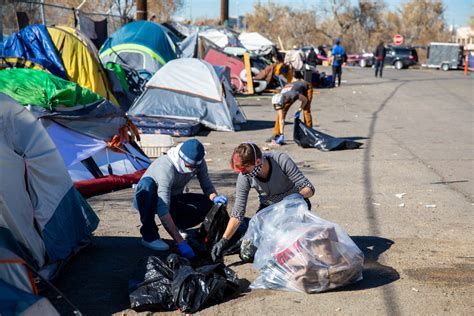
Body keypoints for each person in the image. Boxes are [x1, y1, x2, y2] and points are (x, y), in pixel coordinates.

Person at [210, 142, 315, 262]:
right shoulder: (245, 176)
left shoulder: (280, 160)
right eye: (239, 170)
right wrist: (224, 240)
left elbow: (309, 188)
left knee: (284, 249)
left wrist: (290, 201)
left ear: (258, 161)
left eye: (244, 169)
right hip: (268, 211)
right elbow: (238, 212)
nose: (242, 173)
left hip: (293, 207)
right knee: (246, 254)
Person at [133, 139, 227, 258]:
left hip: (174, 198)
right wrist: (180, 242)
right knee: (146, 185)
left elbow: (207, 185)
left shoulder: (199, 162)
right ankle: (149, 236)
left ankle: (177, 226)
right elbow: (163, 207)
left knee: (207, 205)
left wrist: (215, 198)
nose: (192, 169)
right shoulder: (166, 167)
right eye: (189, 166)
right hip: (151, 199)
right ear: (181, 159)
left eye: (195, 167)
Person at [268, 71, 313, 145]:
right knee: (280, 114)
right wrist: (282, 134)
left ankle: (309, 133)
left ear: (284, 101)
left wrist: (299, 109)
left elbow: (304, 100)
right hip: (293, 89)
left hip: (306, 86)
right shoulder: (280, 97)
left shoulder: (293, 95)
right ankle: (277, 134)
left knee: (306, 110)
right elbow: (281, 119)